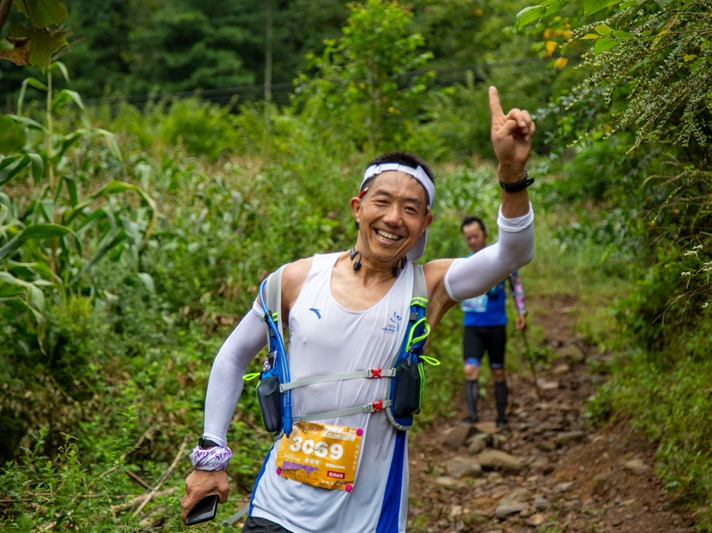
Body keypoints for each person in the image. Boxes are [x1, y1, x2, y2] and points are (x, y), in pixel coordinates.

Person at [181, 86, 536, 533]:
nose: (393, 218)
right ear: (358, 207)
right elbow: (233, 356)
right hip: (278, 507)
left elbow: (513, 254)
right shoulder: (293, 280)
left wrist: (511, 171)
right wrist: (211, 455)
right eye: (382, 202)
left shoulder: (427, 286)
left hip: (369, 517)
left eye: (410, 209)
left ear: (424, 224)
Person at [459, 215, 527, 428]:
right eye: (468, 238)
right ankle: (472, 416)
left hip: (496, 325)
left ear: (485, 234)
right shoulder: (464, 264)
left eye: (475, 236)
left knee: (498, 371)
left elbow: (515, 285)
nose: (472, 241)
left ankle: (501, 417)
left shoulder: (501, 260)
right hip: (472, 325)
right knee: (470, 369)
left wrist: (521, 312)